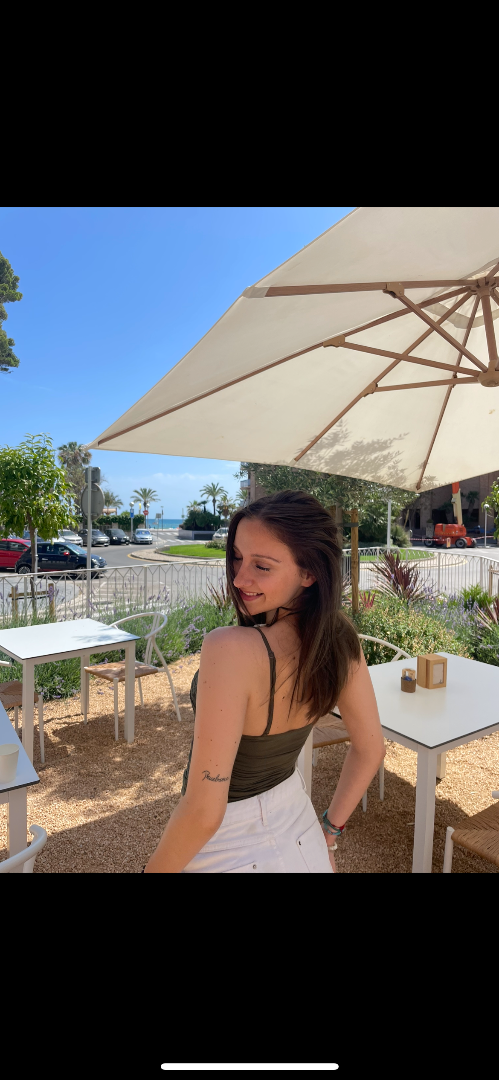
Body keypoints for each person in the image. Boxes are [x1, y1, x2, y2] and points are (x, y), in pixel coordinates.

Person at [144, 490, 384, 873]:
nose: (240, 578)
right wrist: (329, 831)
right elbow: (371, 749)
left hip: (226, 848)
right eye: (237, 557)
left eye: (262, 566)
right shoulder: (338, 638)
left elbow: (204, 812)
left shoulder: (229, 648)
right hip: (301, 833)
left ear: (309, 573)